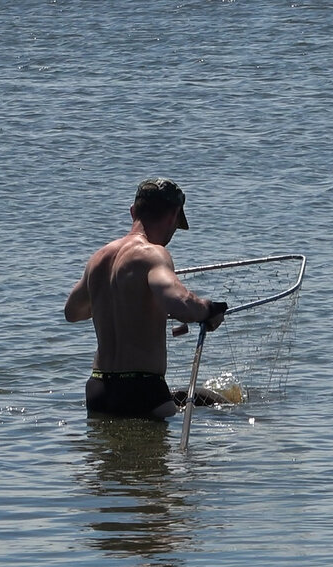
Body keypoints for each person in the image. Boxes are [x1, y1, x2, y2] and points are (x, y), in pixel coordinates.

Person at [65, 178, 229, 419]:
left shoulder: (98, 258)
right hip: (142, 390)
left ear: (133, 212)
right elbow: (181, 304)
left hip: (98, 390)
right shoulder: (153, 255)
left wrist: (123, 300)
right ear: (174, 215)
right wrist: (209, 309)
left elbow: (72, 312)